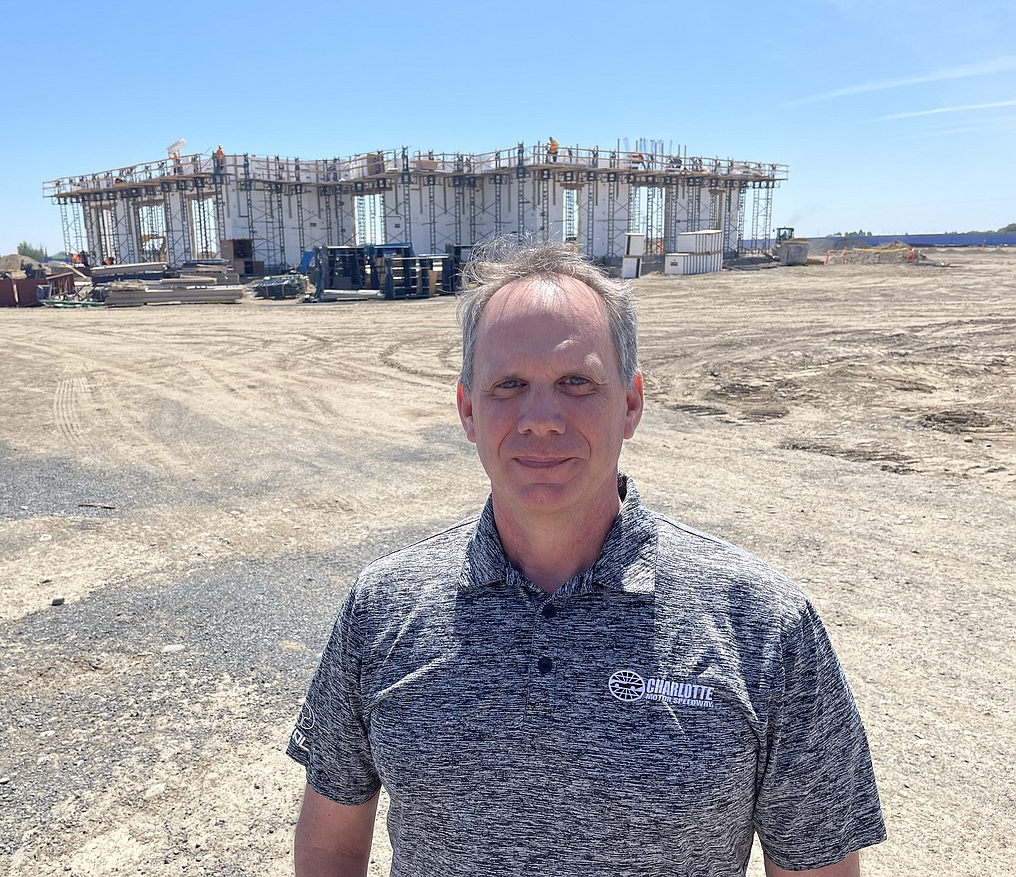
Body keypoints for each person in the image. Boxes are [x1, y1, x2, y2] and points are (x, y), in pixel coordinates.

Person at [288, 239, 886, 877]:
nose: (540, 418)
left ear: (630, 404)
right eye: (508, 385)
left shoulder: (763, 623)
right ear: (467, 409)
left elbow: (817, 863)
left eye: (576, 382)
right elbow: (331, 843)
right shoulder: (384, 608)